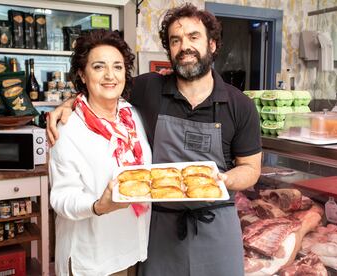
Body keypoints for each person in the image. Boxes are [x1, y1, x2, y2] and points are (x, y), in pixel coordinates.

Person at [47, 4, 261, 276]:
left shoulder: (240, 105)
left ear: (213, 44)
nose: (185, 46)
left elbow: (251, 169)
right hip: (159, 229)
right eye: (175, 40)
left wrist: (224, 180)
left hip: (216, 222)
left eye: (194, 37)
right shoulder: (149, 88)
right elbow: (104, 87)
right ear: (169, 49)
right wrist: (68, 103)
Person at [49, 29, 152, 276]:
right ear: (82, 75)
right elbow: (61, 198)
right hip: (92, 258)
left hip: (132, 249)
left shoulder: (132, 115)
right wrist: (98, 206)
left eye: (117, 67)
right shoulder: (69, 127)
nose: (110, 75)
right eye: (98, 67)